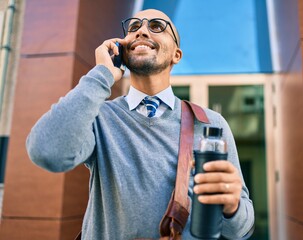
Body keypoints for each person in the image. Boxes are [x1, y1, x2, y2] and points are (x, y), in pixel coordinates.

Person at [26, 9, 254, 239]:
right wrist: (102, 73)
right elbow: (46, 150)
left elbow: (240, 230)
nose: (142, 31)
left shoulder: (210, 124)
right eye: (134, 27)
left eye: (156, 26)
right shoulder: (98, 117)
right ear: (123, 49)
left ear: (176, 55)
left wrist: (232, 205)